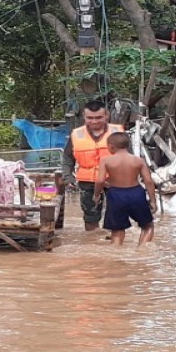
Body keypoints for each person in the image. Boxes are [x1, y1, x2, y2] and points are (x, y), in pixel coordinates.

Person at [61, 100, 125, 230]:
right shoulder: (76, 134)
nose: (94, 121)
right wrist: (67, 176)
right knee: (90, 216)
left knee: (117, 214)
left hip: (114, 180)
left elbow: (129, 157)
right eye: (90, 118)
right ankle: (92, 242)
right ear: (84, 117)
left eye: (98, 118)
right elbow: (68, 157)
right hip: (87, 181)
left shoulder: (117, 132)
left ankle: (114, 246)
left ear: (106, 115)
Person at [93, 133, 157, 246]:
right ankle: (141, 251)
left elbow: (100, 181)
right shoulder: (139, 161)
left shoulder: (106, 161)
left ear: (111, 146)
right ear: (128, 145)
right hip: (136, 193)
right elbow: (148, 181)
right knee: (148, 226)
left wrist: (96, 195)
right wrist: (153, 200)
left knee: (117, 230)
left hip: (115, 195)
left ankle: (116, 259)